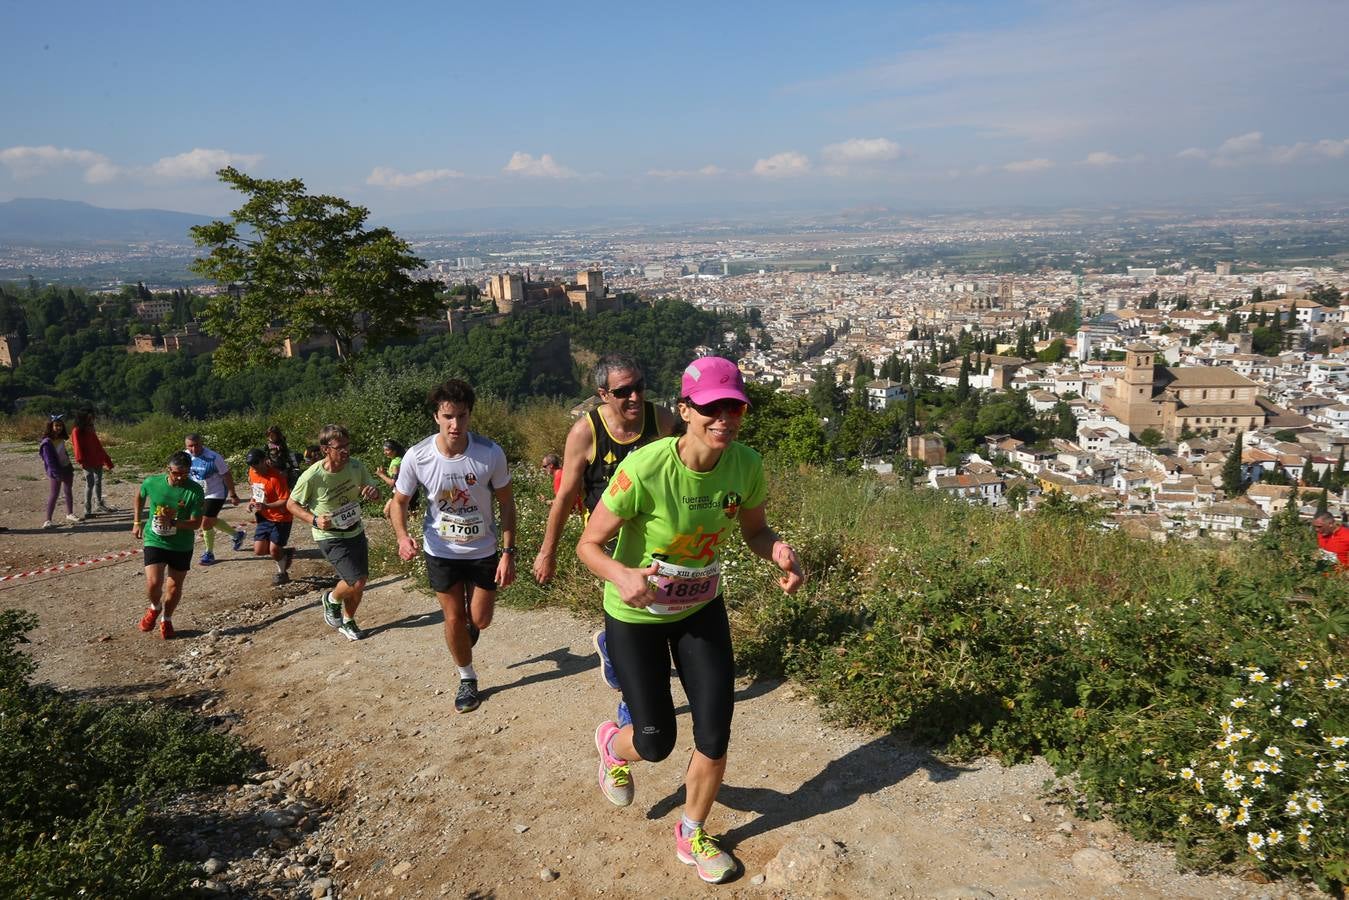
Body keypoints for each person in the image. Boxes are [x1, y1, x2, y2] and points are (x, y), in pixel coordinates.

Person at [578, 356, 803, 885]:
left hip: (700, 608)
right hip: (636, 613)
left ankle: (692, 830)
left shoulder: (745, 465)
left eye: (734, 407)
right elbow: (589, 545)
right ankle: (614, 744)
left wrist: (779, 552)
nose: (723, 417)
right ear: (685, 410)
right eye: (710, 408)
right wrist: (622, 573)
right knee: (655, 740)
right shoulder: (646, 468)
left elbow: (755, 532)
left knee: (715, 731)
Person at [532, 354, 675, 722]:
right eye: (623, 391)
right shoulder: (586, 431)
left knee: (653, 614)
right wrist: (548, 552)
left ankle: (612, 645)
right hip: (609, 540)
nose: (634, 397)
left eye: (639, 387)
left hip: (655, 535)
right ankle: (631, 702)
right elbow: (565, 495)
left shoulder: (659, 420)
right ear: (602, 394)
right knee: (640, 617)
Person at [390, 380, 517, 713]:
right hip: (441, 551)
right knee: (452, 617)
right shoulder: (417, 456)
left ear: (470, 415)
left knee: (481, 619)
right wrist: (403, 536)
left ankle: (468, 630)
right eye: (448, 416)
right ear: (436, 416)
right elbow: (399, 503)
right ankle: (467, 678)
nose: (455, 425)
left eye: (462, 416)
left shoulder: (490, 453)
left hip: (483, 551)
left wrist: (508, 552)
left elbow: (506, 503)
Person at [287, 424, 381, 641]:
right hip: (329, 536)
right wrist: (315, 520)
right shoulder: (312, 476)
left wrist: (373, 492)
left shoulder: (356, 467)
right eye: (340, 447)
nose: (346, 451)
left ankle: (348, 621)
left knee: (362, 580)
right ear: (325, 449)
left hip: (354, 530)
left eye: (348, 446)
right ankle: (331, 599)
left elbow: (374, 493)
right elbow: (291, 505)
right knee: (355, 581)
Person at [132, 450, 205, 639]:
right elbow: (139, 496)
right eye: (175, 473)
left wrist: (173, 523)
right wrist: (137, 522)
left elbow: (196, 523)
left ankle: (167, 618)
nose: (180, 477)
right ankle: (154, 607)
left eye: (184, 473)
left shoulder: (194, 490)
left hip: (181, 544)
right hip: (155, 539)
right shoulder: (152, 482)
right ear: (168, 470)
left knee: (173, 588)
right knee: (153, 583)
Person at [184, 433, 245, 564]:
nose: (194, 449)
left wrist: (233, 494)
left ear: (202, 444)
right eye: (190, 446)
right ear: (186, 446)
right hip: (199, 493)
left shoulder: (214, 457)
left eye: (196, 445)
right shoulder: (185, 456)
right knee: (210, 520)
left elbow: (226, 475)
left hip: (216, 493)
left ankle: (209, 553)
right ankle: (236, 535)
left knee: (205, 522)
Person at [246, 448, 295, 585]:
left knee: (273, 550)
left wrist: (267, 506)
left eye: (256, 464)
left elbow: (285, 500)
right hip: (264, 517)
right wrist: (252, 502)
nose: (253, 468)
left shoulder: (276, 477)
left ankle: (282, 573)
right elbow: (256, 491)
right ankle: (285, 554)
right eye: (251, 465)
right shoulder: (252, 472)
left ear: (264, 461)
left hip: (281, 518)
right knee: (259, 550)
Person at [71, 408, 116, 518]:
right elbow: (77, 446)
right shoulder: (76, 431)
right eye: (89, 417)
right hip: (87, 461)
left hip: (97, 459)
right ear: (83, 418)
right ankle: (87, 511)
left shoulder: (90, 428)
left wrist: (107, 460)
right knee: (90, 484)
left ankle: (99, 504)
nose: (92, 419)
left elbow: (97, 445)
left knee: (98, 482)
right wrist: (80, 459)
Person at [37, 414, 79, 529]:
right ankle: (48, 520)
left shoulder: (61, 439)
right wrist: (56, 473)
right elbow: (49, 460)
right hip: (56, 471)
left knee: (68, 491)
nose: (59, 428)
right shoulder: (47, 442)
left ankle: (70, 514)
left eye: (60, 425)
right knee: (54, 494)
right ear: (51, 426)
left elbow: (63, 454)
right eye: (56, 425)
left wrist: (70, 467)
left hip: (66, 468)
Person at [377, 439, 407, 521]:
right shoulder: (399, 459)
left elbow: (392, 483)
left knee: (387, 512)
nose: (385, 452)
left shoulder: (395, 464)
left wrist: (381, 475)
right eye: (384, 450)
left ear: (394, 450)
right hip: (403, 490)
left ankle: (397, 532)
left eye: (387, 450)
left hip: (400, 491)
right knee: (410, 515)